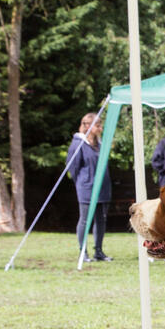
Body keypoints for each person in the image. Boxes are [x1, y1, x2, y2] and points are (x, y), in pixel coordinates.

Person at [65, 111, 112, 262]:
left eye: (100, 125)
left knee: (101, 219)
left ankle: (98, 251)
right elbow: (73, 168)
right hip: (86, 188)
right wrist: (84, 182)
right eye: (97, 125)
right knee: (85, 220)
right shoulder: (78, 144)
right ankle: (83, 252)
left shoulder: (100, 144)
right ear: (88, 126)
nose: (100, 128)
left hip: (102, 188)